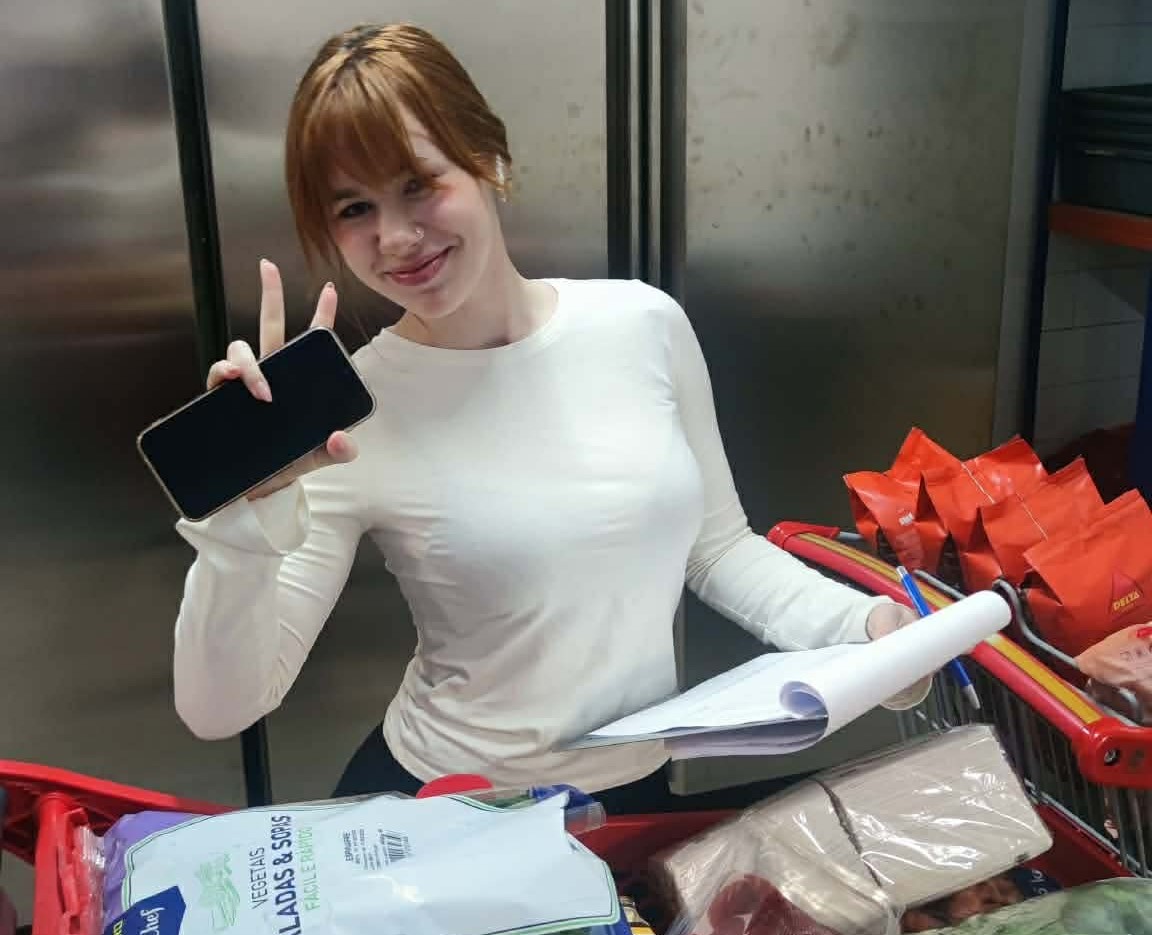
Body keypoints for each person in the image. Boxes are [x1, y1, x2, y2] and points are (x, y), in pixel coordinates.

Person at [171, 22, 920, 813]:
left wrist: (869, 627)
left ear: (488, 158)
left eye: (418, 184)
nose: (394, 237)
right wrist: (244, 524)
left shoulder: (643, 324)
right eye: (355, 208)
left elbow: (719, 550)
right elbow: (220, 708)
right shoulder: (345, 419)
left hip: (631, 791)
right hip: (447, 808)